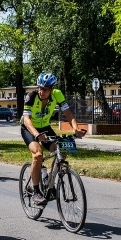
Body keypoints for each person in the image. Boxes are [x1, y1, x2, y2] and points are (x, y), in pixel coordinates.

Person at [21, 72, 86, 205]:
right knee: (38, 154)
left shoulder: (57, 94)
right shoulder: (31, 96)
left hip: (45, 127)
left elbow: (68, 113)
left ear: (51, 89)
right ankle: (36, 191)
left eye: (44, 89)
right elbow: (27, 120)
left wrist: (76, 129)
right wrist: (36, 135)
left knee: (61, 150)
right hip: (29, 128)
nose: (41, 91)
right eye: (39, 87)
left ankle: (48, 181)